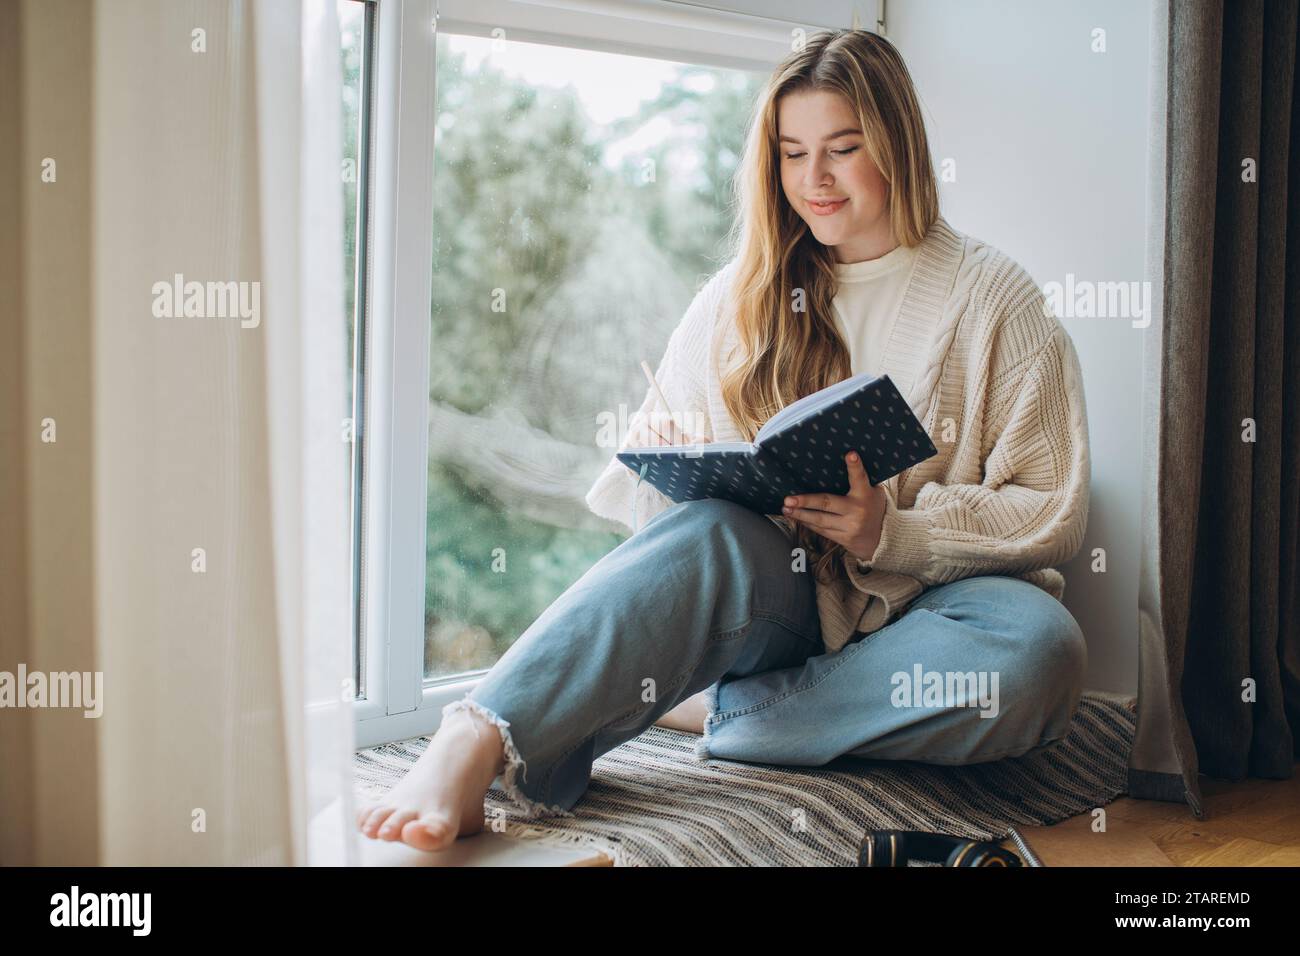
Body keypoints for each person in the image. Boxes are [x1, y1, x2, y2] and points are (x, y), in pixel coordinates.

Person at [356, 28, 1090, 852]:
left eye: (843, 149)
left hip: (937, 617)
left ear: (899, 146)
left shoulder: (997, 301)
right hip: (783, 599)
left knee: (1040, 653)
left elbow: (1048, 508)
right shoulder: (741, 294)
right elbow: (655, 538)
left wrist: (894, 531)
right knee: (708, 530)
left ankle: (721, 713)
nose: (814, 179)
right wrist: (670, 463)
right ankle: (477, 735)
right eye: (792, 152)